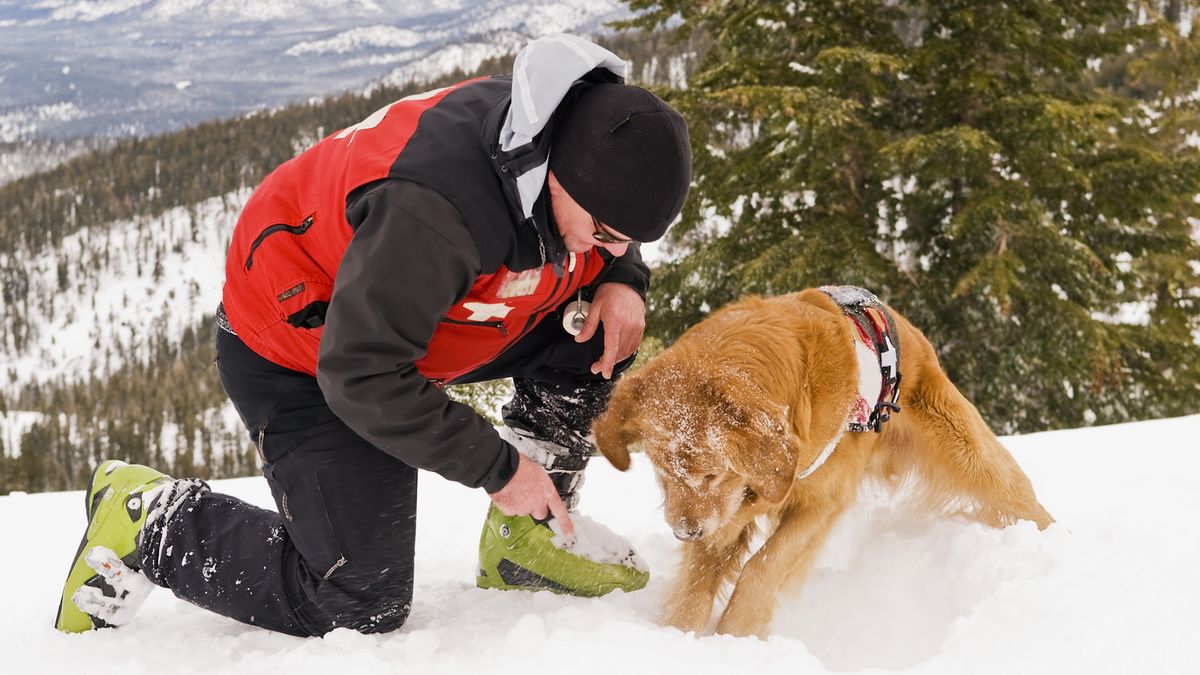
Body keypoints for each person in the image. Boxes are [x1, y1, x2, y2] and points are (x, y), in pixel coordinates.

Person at [55, 33, 691, 636]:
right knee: (361, 598)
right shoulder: (433, 213)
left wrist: (623, 278)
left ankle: (526, 539)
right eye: (606, 233)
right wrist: (498, 469)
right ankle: (149, 520)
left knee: (599, 333)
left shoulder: (573, 136)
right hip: (304, 354)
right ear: (558, 176)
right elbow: (362, 374)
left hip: (423, 327)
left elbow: (606, 239)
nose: (612, 247)